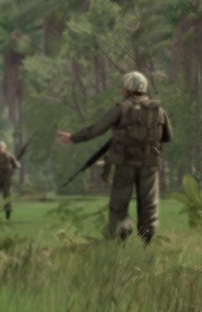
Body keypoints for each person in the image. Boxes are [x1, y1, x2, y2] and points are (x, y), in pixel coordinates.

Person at [59, 70, 171, 243]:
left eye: (123, 88)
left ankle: (122, 233)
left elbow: (96, 129)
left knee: (119, 203)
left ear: (128, 90)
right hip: (149, 163)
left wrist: (73, 138)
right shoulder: (159, 111)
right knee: (149, 203)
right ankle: (147, 238)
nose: (121, 91)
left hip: (125, 163)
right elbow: (168, 136)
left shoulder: (121, 109)